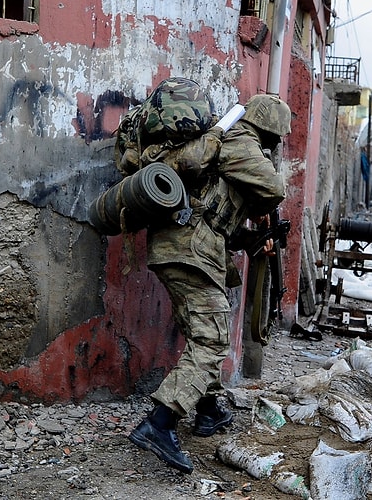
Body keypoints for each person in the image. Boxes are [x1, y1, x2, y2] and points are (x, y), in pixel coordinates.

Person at [127, 91, 292, 474]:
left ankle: (208, 410)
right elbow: (274, 188)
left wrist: (250, 239)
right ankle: (160, 422)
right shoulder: (240, 141)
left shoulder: (226, 147)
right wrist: (270, 175)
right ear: (269, 131)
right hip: (189, 250)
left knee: (201, 328)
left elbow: (216, 217)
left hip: (189, 246)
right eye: (276, 140)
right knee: (212, 339)